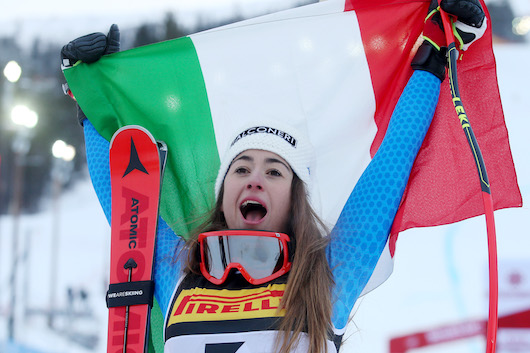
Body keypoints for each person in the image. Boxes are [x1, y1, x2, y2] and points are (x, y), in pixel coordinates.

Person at [61, 0, 487, 352]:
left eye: (275, 171)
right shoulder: (179, 275)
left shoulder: (328, 278)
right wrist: (90, 94)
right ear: (223, 193)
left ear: (294, 198)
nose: (254, 179)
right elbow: (128, 206)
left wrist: (437, 51)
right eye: (241, 169)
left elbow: (391, 166)